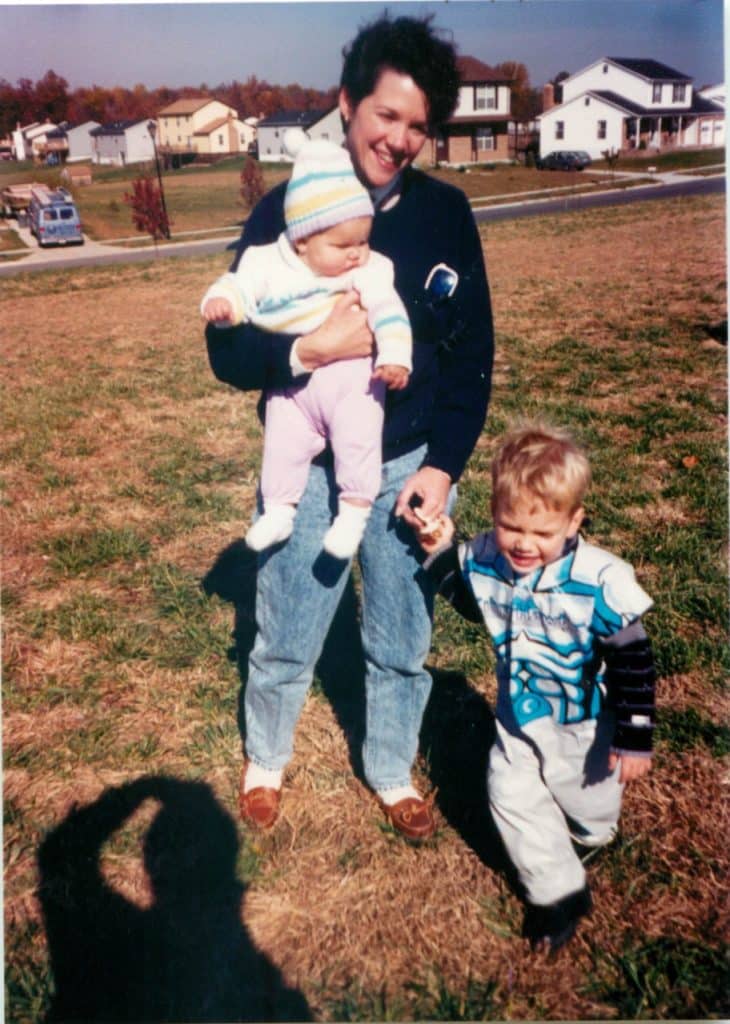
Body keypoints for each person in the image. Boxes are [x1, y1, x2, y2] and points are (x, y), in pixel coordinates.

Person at [205, 13, 494, 841]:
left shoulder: (446, 216)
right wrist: (308, 348)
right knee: (289, 616)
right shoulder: (283, 214)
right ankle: (265, 761)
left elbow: (473, 356)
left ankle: (393, 769)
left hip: (404, 463)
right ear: (348, 105)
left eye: (418, 126)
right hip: (309, 461)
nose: (400, 139)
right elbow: (224, 351)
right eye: (386, 116)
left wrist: (443, 464)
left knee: (403, 631)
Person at [415, 422, 656, 949]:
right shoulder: (488, 556)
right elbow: (473, 604)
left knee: (591, 811)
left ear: (574, 521)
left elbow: (632, 655)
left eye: (542, 533)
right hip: (516, 718)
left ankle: (591, 834)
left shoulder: (599, 581)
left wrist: (635, 734)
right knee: (509, 791)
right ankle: (558, 894)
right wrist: (439, 552)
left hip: (584, 725)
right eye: (510, 527)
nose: (523, 545)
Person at [201, 137, 412, 559]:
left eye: (363, 241)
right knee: (282, 443)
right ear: (301, 241)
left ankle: (354, 511)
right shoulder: (267, 263)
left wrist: (394, 356)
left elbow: (390, 310)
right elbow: (239, 286)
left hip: (353, 381)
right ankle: (279, 510)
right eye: (342, 245)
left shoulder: (367, 270)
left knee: (359, 440)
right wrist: (223, 305)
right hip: (293, 386)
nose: (357, 254)